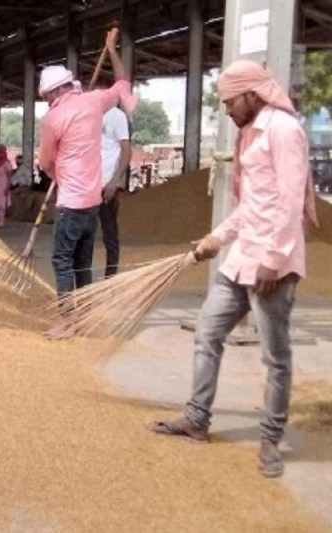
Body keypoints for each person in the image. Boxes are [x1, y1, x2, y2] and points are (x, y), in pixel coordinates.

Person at [149, 60, 319, 479]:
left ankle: (270, 440)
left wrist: (274, 261)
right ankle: (196, 418)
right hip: (242, 259)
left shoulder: (284, 130)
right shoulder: (248, 134)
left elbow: (290, 200)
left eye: (228, 100)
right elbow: (252, 207)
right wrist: (215, 240)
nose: (225, 108)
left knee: (275, 357)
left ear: (251, 94)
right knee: (207, 333)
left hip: (271, 265)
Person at [38, 27, 135, 311]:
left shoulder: (53, 118)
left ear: (56, 90)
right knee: (82, 262)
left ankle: (67, 318)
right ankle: (85, 314)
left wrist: (59, 176)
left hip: (70, 203)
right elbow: (122, 84)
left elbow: (44, 163)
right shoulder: (94, 102)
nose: (47, 101)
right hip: (92, 202)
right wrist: (112, 49)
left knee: (62, 260)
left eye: (46, 96)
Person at [96, 73, 132, 278]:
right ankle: (81, 278)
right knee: (85, 233)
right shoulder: (91, 113)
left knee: (109, 233)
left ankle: (111, 275)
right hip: (88, 184)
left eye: (101, 91)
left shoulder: (117, 117)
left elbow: (126, 151)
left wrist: (115, 181)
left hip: (107, 184)